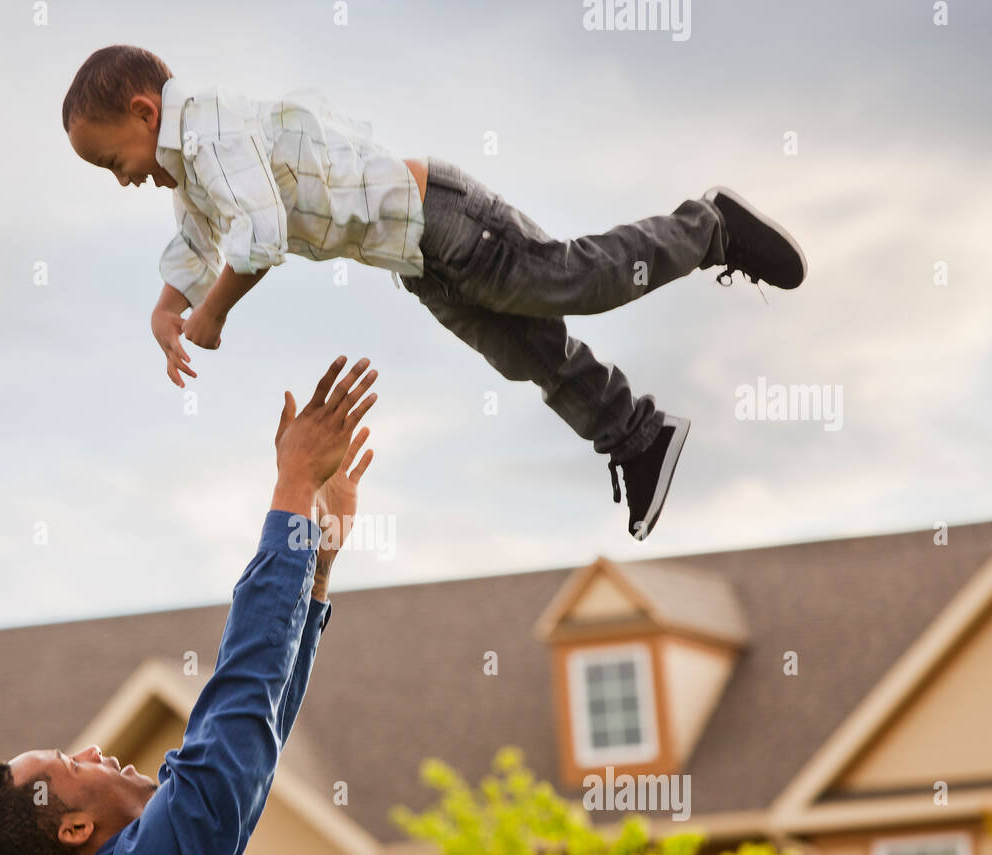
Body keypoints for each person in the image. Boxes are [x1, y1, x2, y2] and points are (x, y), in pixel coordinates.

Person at [61, 44, 807, 541]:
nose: (123, 178)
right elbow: (197, 241)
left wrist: (214, 312)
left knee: (571, 278)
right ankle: (636, 435)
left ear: (144, 113)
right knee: (523, 351)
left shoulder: (212, 131)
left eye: (112, 162)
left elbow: (259, 233)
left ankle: (710, 228)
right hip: (417, 256)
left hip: (444, 218)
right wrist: (168, 306)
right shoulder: (188, 171)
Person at [0, 355, 378, 855]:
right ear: (74, 827)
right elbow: (236, 713)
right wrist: (289, 491)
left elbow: (255, 737)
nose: (93, 752)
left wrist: (315, 562)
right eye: (71, 765)